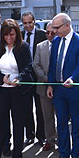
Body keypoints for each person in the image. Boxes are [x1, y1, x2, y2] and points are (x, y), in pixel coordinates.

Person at [0, 19, 34, 158]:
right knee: (0, 123)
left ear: (17, 34)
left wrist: (19, 78)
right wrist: (1, 78)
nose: (9, 38)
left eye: (12, 35)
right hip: (1, 91)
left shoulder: (23, 46)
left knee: (18, 123)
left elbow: (28, 67)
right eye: (6, 35)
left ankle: (17, 154)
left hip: (19, 91)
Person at [47, 13, 79, 158]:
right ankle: (63, 154)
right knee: (62, 123)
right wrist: (50, 85)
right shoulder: (56, 41)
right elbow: (52, 66)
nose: (54, 31)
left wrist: (72, 78)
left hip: (75, 90)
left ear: (67, 25)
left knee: (77, 124)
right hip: (59, 90)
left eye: (56, 28)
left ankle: (76, 155)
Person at [21, 11, 47, 147]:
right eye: (25, 23)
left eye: (29, 22)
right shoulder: (19, 36)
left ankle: (41, 135)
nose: (27, 26)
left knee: (40, 107)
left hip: (39, 76)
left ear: (34, 21)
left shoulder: (42, 34)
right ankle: (29, 135)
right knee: (26, 107)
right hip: (25, 77)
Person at [32, 22, 57, 151]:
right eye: (47, 32)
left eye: (53, 32)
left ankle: (63, 140)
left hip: (60, 87)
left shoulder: (61, 45)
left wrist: (54, 81)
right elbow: (36, 65)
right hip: (43, 86)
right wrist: (47, 79)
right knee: (47, 116)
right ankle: (50, 139)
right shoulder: (40, 46)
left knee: (62, 116)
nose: (50, 35)